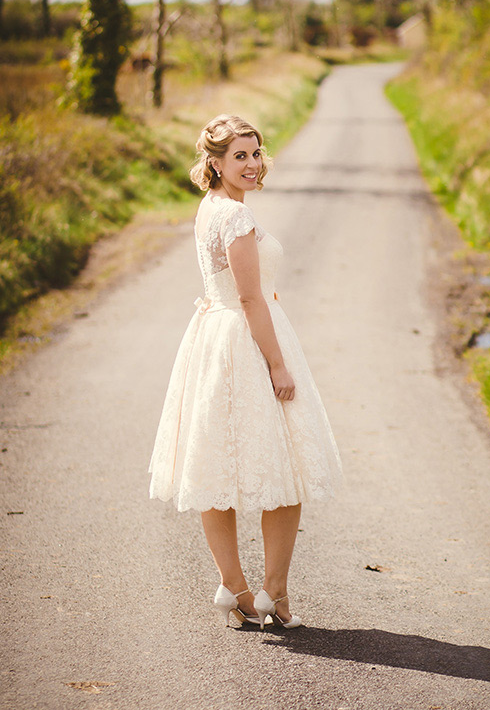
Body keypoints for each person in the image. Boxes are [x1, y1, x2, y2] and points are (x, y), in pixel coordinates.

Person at [148, 113, 342, 630]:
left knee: (218, 470)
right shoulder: (233, 217)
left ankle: (235, 590)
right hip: (245, 341)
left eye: (256, 153)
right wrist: (278, 364)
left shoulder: (212, 208)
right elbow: (252, 297)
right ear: (214, 162)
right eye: (240, 155)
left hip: (215, 337)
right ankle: (270, 592)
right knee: (287, 468)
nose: (253, 165)